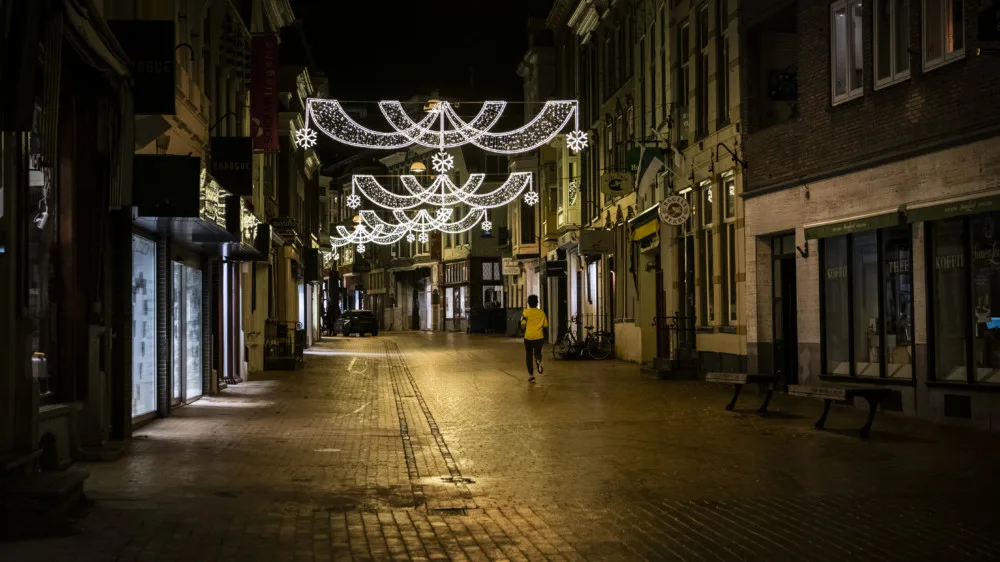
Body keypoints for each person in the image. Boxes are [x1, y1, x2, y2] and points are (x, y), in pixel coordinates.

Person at [520, 295, 548, 383]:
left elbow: (523, 323)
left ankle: (531, 376)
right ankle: (538, 359)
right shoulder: (541, 313)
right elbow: (546, 325)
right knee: (537, 352)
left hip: (528, 337)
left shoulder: (526, 312)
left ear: (528, 303)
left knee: (528, 355)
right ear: (537, 303)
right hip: (539, 337)